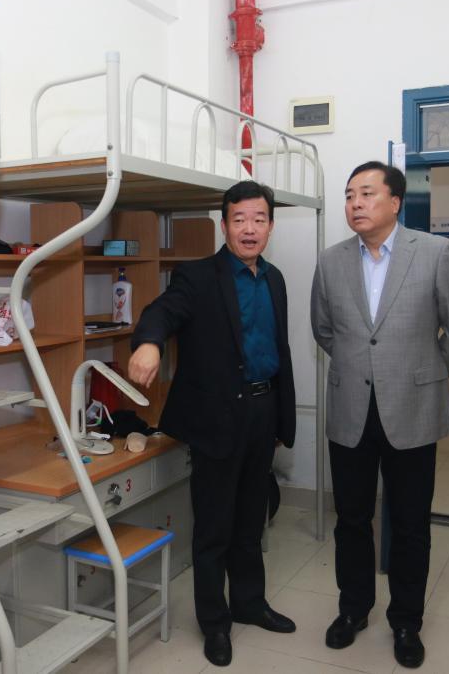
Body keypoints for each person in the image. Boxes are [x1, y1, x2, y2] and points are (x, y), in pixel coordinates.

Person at [310, 161, 449, 669]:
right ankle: (353, 609)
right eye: (349, 195)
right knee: (351, 520)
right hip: (351, 410)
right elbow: (323, 330)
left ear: (395, 202)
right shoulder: (331, 261)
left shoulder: (433, 252)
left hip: (413, 408)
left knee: (410, 523)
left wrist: (427, 371)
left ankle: (406, 621)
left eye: (366, 193)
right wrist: (364, 367)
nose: (355, 203)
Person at [128, 180, 296, 667]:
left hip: (263, 410)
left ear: (270, 225)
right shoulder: (198, 276)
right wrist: (149, 342)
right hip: (218, 417)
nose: (249, 228)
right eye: (239, 219)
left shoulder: (275, 279)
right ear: (224, 226)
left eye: (259, 219)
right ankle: (215, 623)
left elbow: (277, 350)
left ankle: (249, 604)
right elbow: (161, 311)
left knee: (252, 519)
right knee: (214, 527)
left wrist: (280, 417)